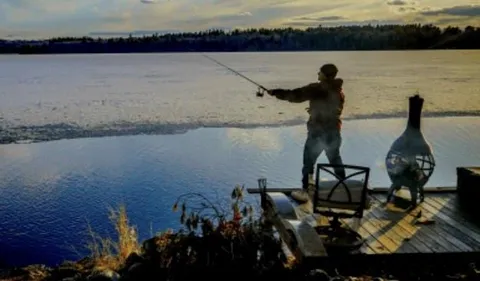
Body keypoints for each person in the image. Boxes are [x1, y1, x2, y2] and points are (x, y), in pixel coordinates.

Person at [267, 63, 346, 202]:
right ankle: (344, 188)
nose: (318, 74)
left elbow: (295, 95)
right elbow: (331, 110)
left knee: (309, 163)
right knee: (335, 160)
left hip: (317, 133)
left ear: (325, 75)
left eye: (320, 72)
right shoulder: (339, 91)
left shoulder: (317, 89)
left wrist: (275, 92)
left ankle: (306, 191)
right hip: (333, 132)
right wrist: (315, 111)